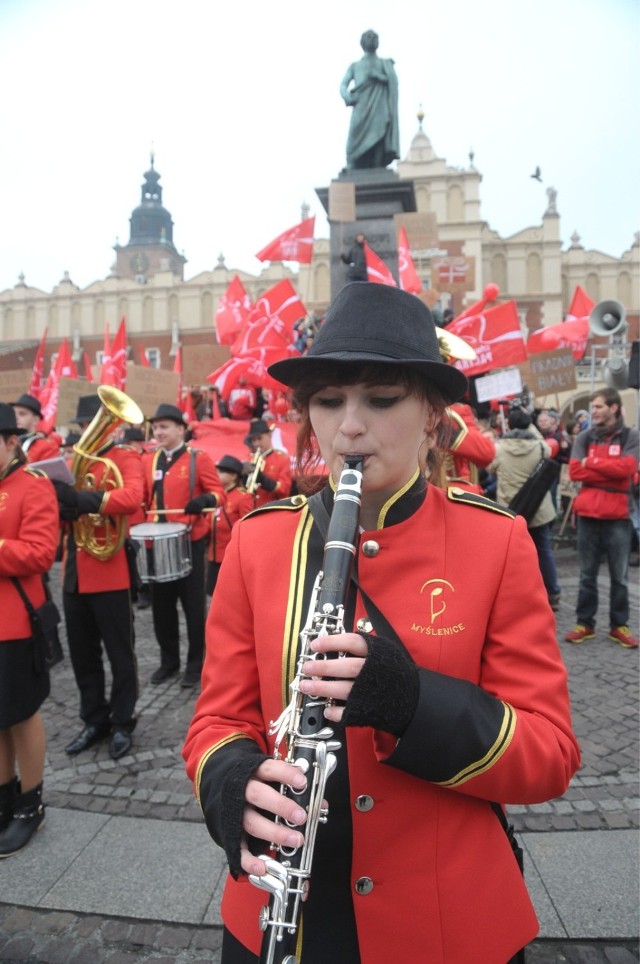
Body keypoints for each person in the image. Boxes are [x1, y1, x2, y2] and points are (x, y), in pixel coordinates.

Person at [183, 283, 580, 964]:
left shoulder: (497, 541)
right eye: (329, 401)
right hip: (282, 910)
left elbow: (549, 755)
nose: (349, 427)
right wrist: (231, 780)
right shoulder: (257, 541)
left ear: (431, 416)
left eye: (381, 399)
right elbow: (217, 720)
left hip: (445, 917)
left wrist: (413, 703)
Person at [53, 394, 144, 760]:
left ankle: (123, 721)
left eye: (90, 423)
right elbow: (63, 512)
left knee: (120, 654)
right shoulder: (72, 461)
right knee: (82, 655)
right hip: (74, 572)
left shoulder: (126, 457)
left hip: (110, 571)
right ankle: (94, 719)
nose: (84, 431)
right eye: (82, 425)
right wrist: (59, 501)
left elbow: (132, 497)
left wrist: (82, 500)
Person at [0, 403, 59, 856]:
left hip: (15, 622)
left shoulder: (33, 486)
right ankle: (3, 796)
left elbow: (41, 554)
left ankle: (30, 804)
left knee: (21, 713)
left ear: (10, 443)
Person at [143, 403, 226, 688]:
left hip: (189, 542)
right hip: (157, 544)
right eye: (155, 427)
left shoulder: (197, 459)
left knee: (193, 608)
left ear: (181, 429)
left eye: (164, 426)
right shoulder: (149, 460)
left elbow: (219, 495)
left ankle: (195, 665)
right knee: (161, 609)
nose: (158, 431)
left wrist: (205, 500)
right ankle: (169, 662)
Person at [565, 388, 639, 648]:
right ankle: (585, 623)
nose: (593, 411)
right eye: (593, 407)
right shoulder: (584, 437)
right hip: (587, 515)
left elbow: (628, 468)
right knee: (587, 575)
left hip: (618, 516)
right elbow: (574, 471)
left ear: (614, 408)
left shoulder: (631, 435)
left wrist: (591, 464)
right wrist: (609, 470)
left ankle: (619, 625)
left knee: (619, 577)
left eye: (598, 407)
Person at [489, 406, 562, 610]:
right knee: (543, 550)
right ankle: (553, 592)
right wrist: (530, 422)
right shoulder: (539, 447)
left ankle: (516, 596)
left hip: (511, 510)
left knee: (511, 556)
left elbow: (489, 468)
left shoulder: (499, 449)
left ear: (509, 424)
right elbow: (548, 449)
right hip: (538, 508)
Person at [340, 29, 399, 171]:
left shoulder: (384, 63)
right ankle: (352, 163)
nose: (371, 39)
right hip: (360, 104)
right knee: (354, 135)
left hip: (379, 105)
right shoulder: (355, 66)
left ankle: (378, 164)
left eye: (374, 37)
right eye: (368, 37)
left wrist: (379, 76)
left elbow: (392, 82)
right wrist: (346, 95)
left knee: (380, 131)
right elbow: (343, 84)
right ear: (362, 43)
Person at [206, 456, 254, 599]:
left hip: (230, 556)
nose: (217, 474)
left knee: (230, 596)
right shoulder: (216, 496)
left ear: (233, 476)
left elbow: (247, 528)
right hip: (214, 554)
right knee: (213, 594)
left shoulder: (243, 497)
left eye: (221, 472)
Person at [242, 418, 293, 508]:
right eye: (253, 440)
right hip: (251, 509)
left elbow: (284, 489)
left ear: (269, 435)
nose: (256, 443)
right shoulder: (249, 458)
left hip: (271, 508)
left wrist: (262, 479)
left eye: (259, 438)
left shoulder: (282, 459)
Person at [11, 393, 60, 463]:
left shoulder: (47, 446)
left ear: (35, 420)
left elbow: (50, 473)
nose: (16, 417)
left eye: (22, 414)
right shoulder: (7, 442)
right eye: (13, 413)